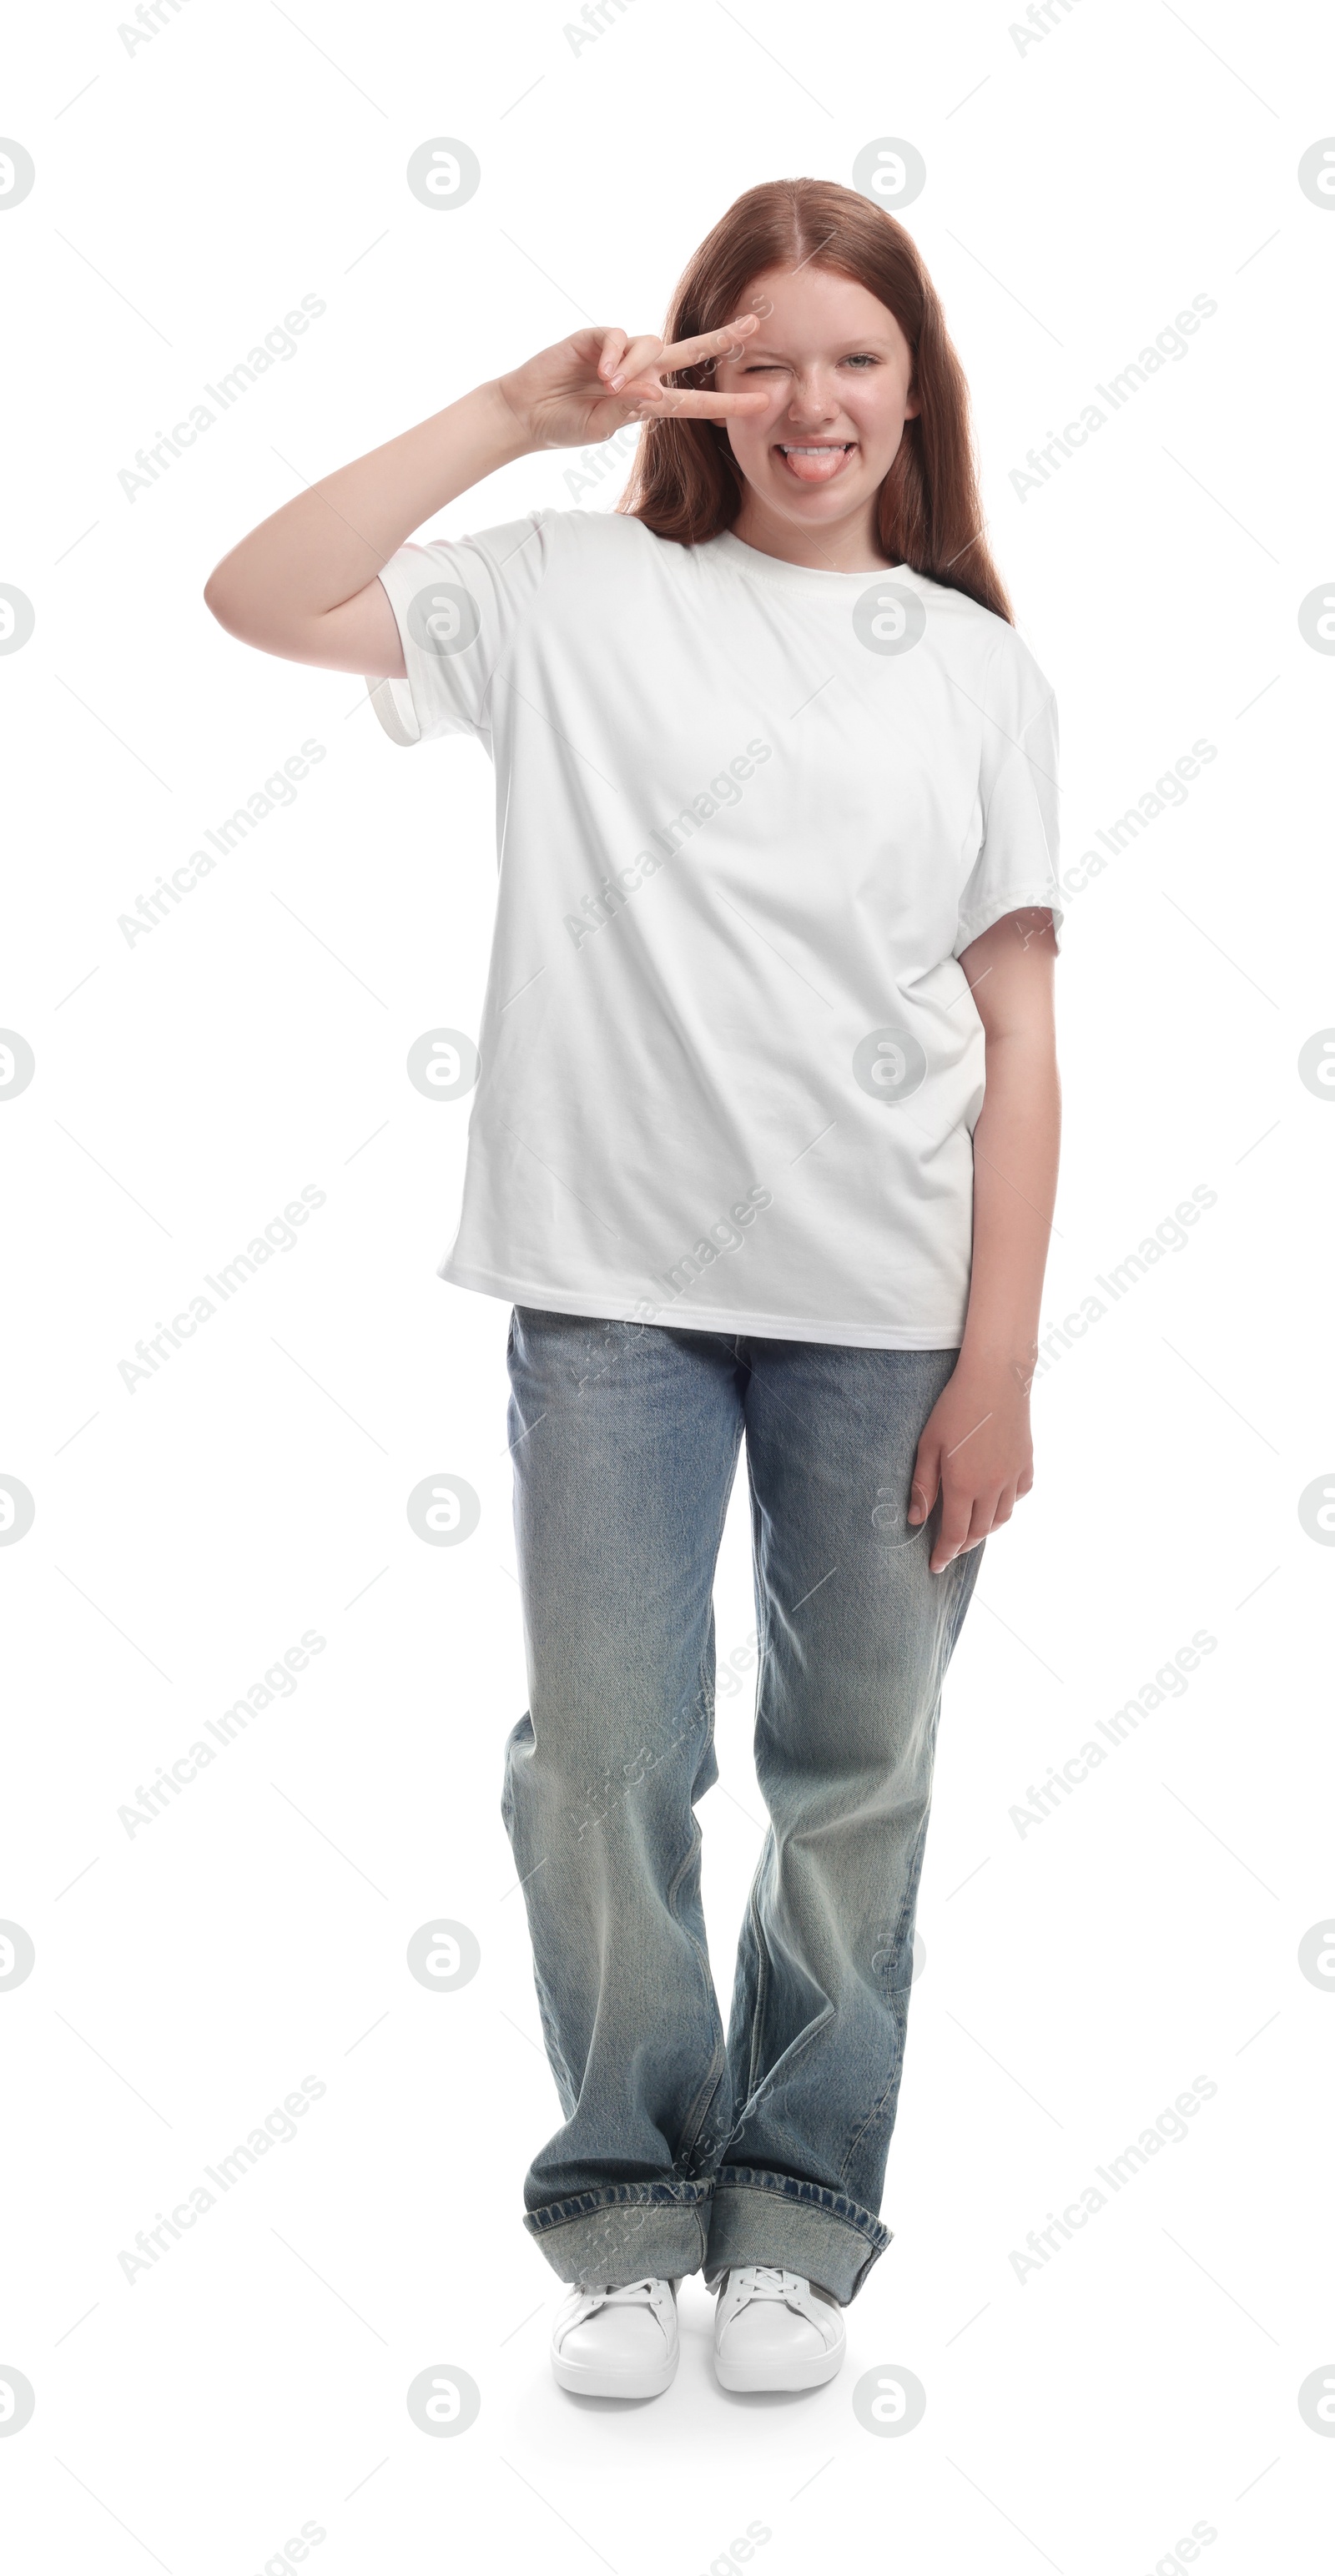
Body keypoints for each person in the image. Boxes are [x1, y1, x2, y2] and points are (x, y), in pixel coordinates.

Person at [204, 174, 1062, 2402]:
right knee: (599, 1759)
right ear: (695, 372)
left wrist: (1002, 1361)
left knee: (855, 1768)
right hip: (613, 1298)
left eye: (855, 358)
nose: (810, 401)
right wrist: (512, 407)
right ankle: (622, 2207)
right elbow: (259, 591)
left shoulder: (978, 666)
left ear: (913, 391)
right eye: (762, 353)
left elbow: (1023, 1043)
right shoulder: (578, 592)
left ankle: (793, 2213)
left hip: (889, 1311)